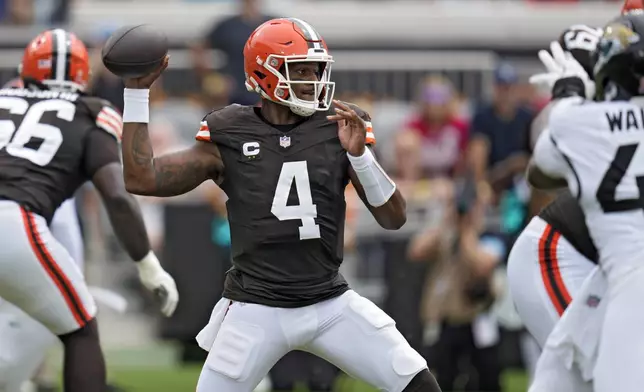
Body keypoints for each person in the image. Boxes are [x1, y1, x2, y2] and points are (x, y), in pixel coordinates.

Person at [119, 17, 441, 392]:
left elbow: (394, 218)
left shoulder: (338, 126)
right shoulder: (230, 131)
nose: (313, 81)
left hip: (328, 302)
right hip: (256, 307)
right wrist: (136, 95)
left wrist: (361, 158)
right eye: (300, 70)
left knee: (418, 383)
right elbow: (142, 178)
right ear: (264, 73)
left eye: (316, 70)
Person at [0, 29, 179, 392]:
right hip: (12, 221)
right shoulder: (92, 112)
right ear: (84, 75)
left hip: (19, 219)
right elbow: (116, 194)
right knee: (80, 327)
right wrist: (147, 265)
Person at [528, 11, 644, 391]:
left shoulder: (576, 121)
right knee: (555, 378)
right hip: (613, 276)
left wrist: (570, 93)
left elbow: (542, 167)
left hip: (627, 278)